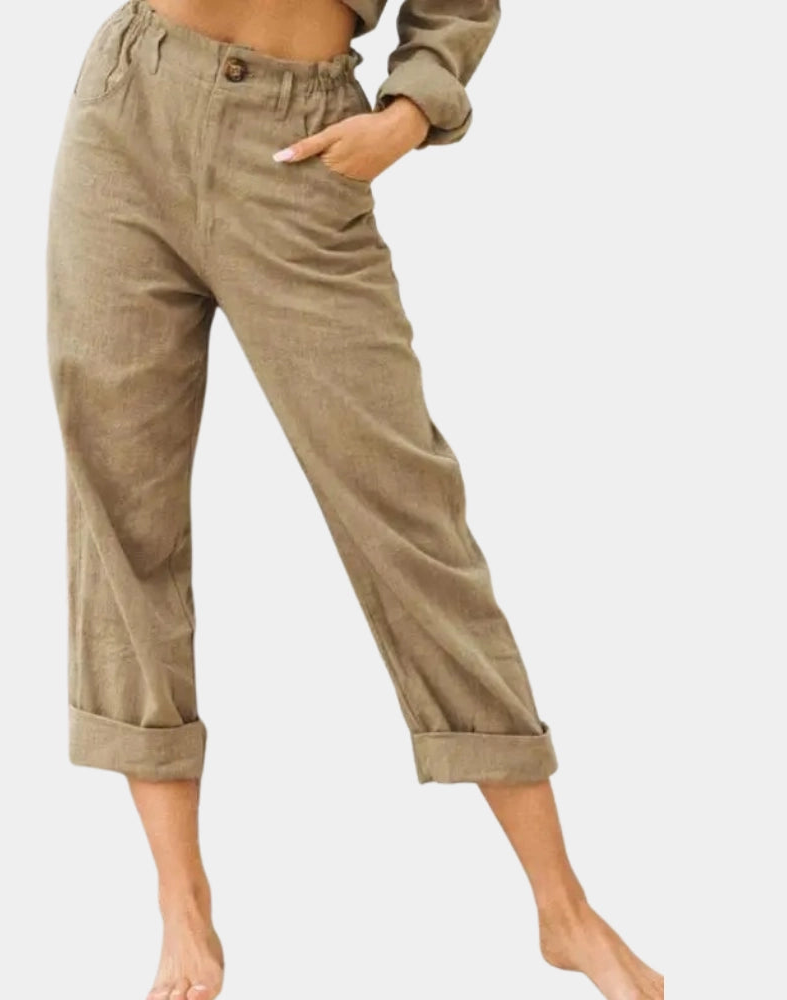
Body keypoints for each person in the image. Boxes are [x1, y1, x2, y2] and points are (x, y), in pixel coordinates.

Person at [44, 1, 664, 998]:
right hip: (126, 112)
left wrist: (409, 114)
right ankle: (182, 905)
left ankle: (563, 908)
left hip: (296, 145)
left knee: (408, 515)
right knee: (122, 511)